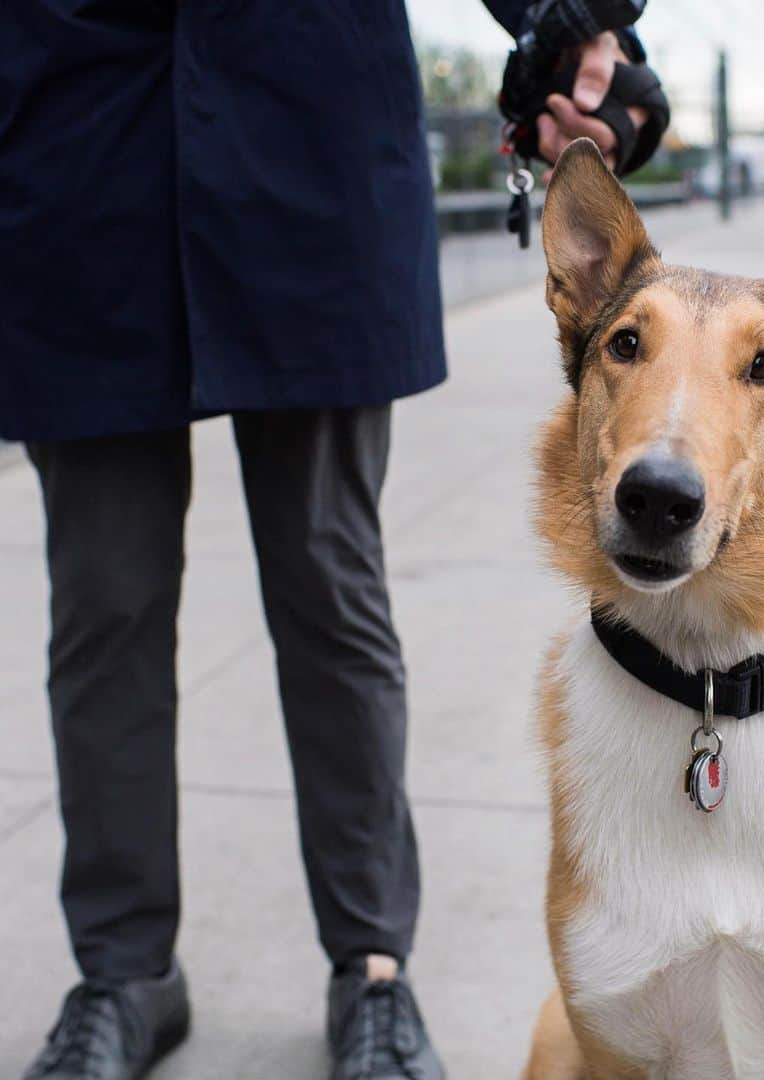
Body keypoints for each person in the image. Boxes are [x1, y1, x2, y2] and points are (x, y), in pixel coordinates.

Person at [0, 3, 658, 1078]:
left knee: (326, 581)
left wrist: (563, 22)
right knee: (101, 602)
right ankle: (122, 974)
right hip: (77, 136)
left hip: (306, 128)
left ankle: (372, 968)